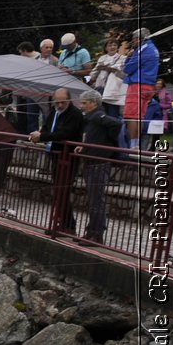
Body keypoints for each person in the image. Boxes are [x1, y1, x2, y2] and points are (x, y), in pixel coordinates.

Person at [30, 88, 85, 234]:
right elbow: (47, 128)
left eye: (62, 102)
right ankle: (63, 222)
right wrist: (39, 134)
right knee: (59, 189)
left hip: (68, 156)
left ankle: (67, 225)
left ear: (69, 100)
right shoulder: (54, 112)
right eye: (57, 102)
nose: (59, 105)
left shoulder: (74, 114)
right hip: (55, 154)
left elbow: (65, 133)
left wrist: (42, 136)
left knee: (63, 190)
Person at [77, 90, 121, 245]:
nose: (82, 106)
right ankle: (91, 231)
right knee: (93, 200)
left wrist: (107, 143)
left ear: (94, 103)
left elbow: (116, 123)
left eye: (84, 103)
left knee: (96, 200)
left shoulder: (97, 116)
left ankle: (97, 234)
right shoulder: (90, 118)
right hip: (91, 161)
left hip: (98, 162)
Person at [124, 27, 161, 146]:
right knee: (139, 116)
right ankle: (137, 144)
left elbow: (128, 68)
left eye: (134, 40)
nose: (133, 42)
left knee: (131, 116)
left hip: (137, 85)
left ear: (138, 39)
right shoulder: (153, 48)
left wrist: (129, 56)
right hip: (149, 86)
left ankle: (132, 146)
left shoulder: (142, 49)